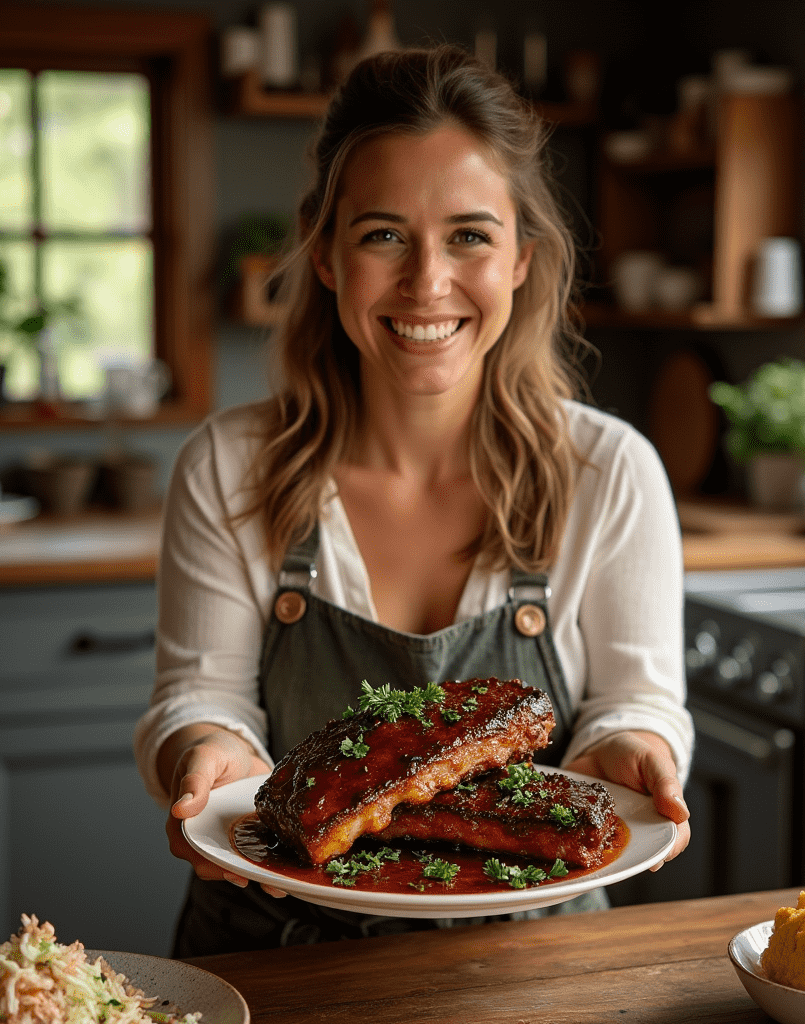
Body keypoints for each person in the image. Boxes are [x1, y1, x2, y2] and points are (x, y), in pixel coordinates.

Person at [133, 43, 693, 956]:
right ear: (325, 255)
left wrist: (635, 751)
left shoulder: (610, 472)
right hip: (270, 955)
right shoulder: (230, 464)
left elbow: (637, 703)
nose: (426, 282)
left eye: (470, 234)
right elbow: (201, 695)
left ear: (521, 258)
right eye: (383, 234)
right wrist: (203, 754)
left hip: (537, 959)